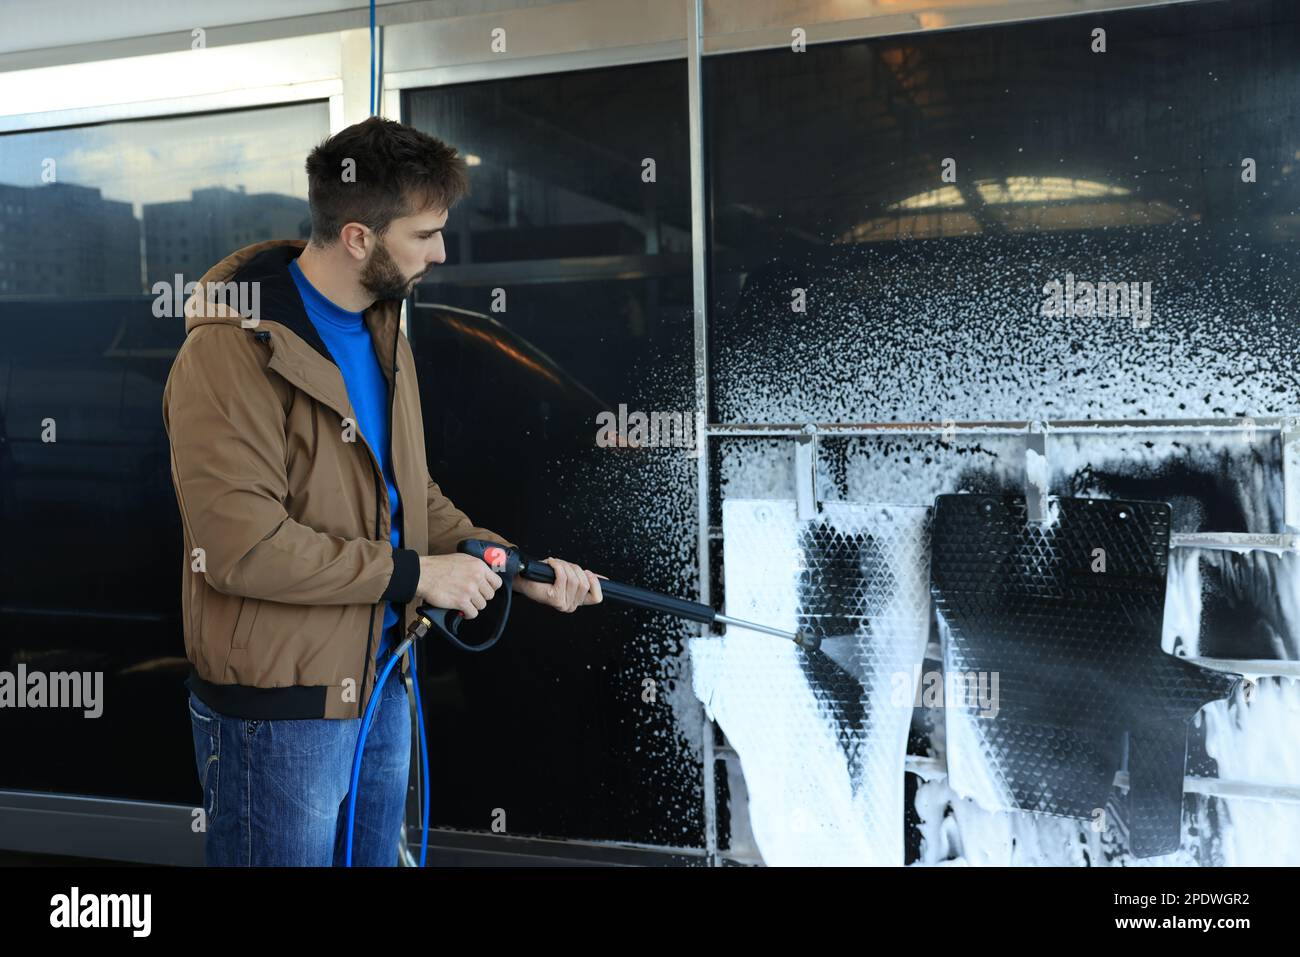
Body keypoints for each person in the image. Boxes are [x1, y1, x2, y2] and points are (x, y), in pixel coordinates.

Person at [161, 115, 602, 866]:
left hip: (382, 678)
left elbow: (408, 496)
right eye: (425, 233)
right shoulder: (229, 354)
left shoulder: (383, 332)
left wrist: (500, 560)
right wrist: (419, 574)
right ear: (359, 237)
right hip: (281, 717)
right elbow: (243, 549)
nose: (440, 251)